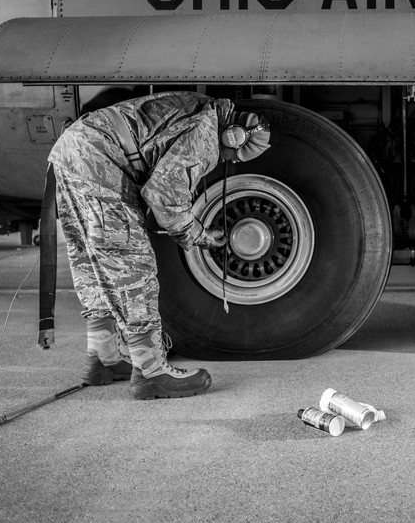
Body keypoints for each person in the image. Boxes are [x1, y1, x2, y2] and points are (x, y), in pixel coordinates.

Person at [47, 91, 270, 400]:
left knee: (93, 262)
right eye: (232, 156)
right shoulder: (205, 134)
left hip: (73, 153)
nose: (227, 161)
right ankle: (152, 372)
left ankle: (103, 356)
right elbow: (164, 195)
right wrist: (196, 234)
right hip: (98, 160)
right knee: (131, 266)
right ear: (233, 137)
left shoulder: (199, 112)